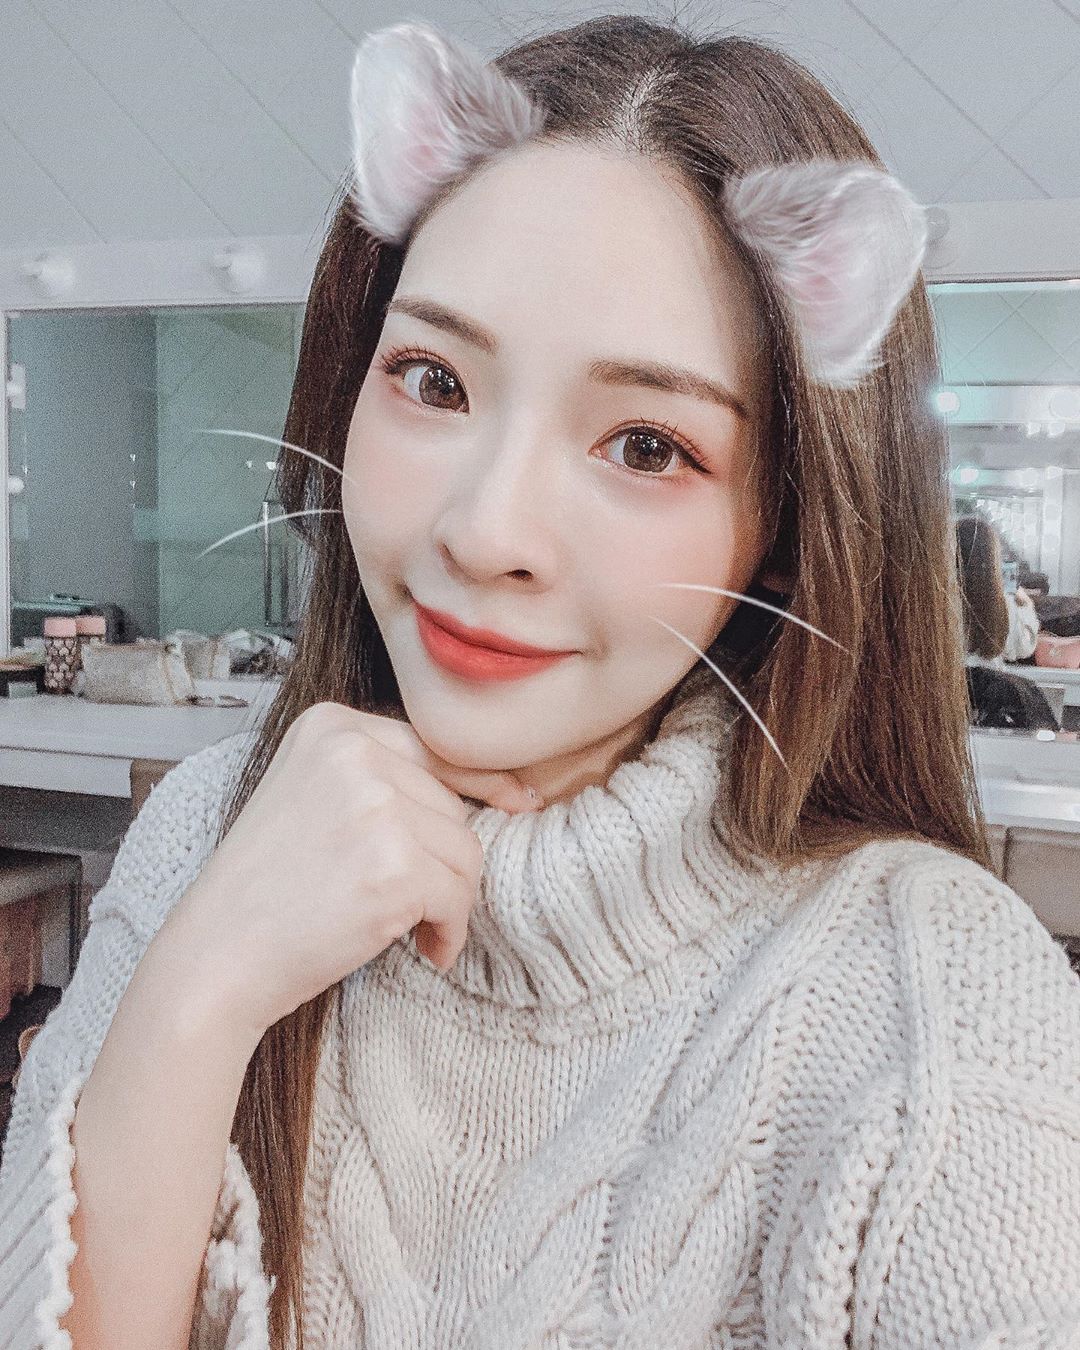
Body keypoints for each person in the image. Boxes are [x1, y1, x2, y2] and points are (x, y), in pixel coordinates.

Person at [2, 16, 1078, 1350]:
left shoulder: (935, 995)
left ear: (786, 528)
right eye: (432, 379)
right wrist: (198, 993)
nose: (484, 532)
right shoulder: (204, 838)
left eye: (647, 445)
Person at [955, 513, 1059, 731]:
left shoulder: (938, 604)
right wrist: (1024, 602)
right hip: (990, 697)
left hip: (951, 691)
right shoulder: (1004, 602)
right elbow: (1023, 648)